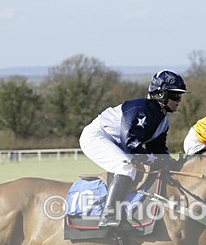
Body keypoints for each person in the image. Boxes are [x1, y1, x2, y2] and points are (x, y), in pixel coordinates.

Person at [79, 69, 188, 228]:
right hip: (96, 137)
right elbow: (131, 145)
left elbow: (158, 149)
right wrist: (151, 159)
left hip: (117, 142)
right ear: (160, 94)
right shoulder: (141, 108)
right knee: (126, 166)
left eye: (180, 96)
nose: (178, 100)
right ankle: (109, 215)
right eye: (175, 96)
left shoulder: (163, 119)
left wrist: (171, 163)